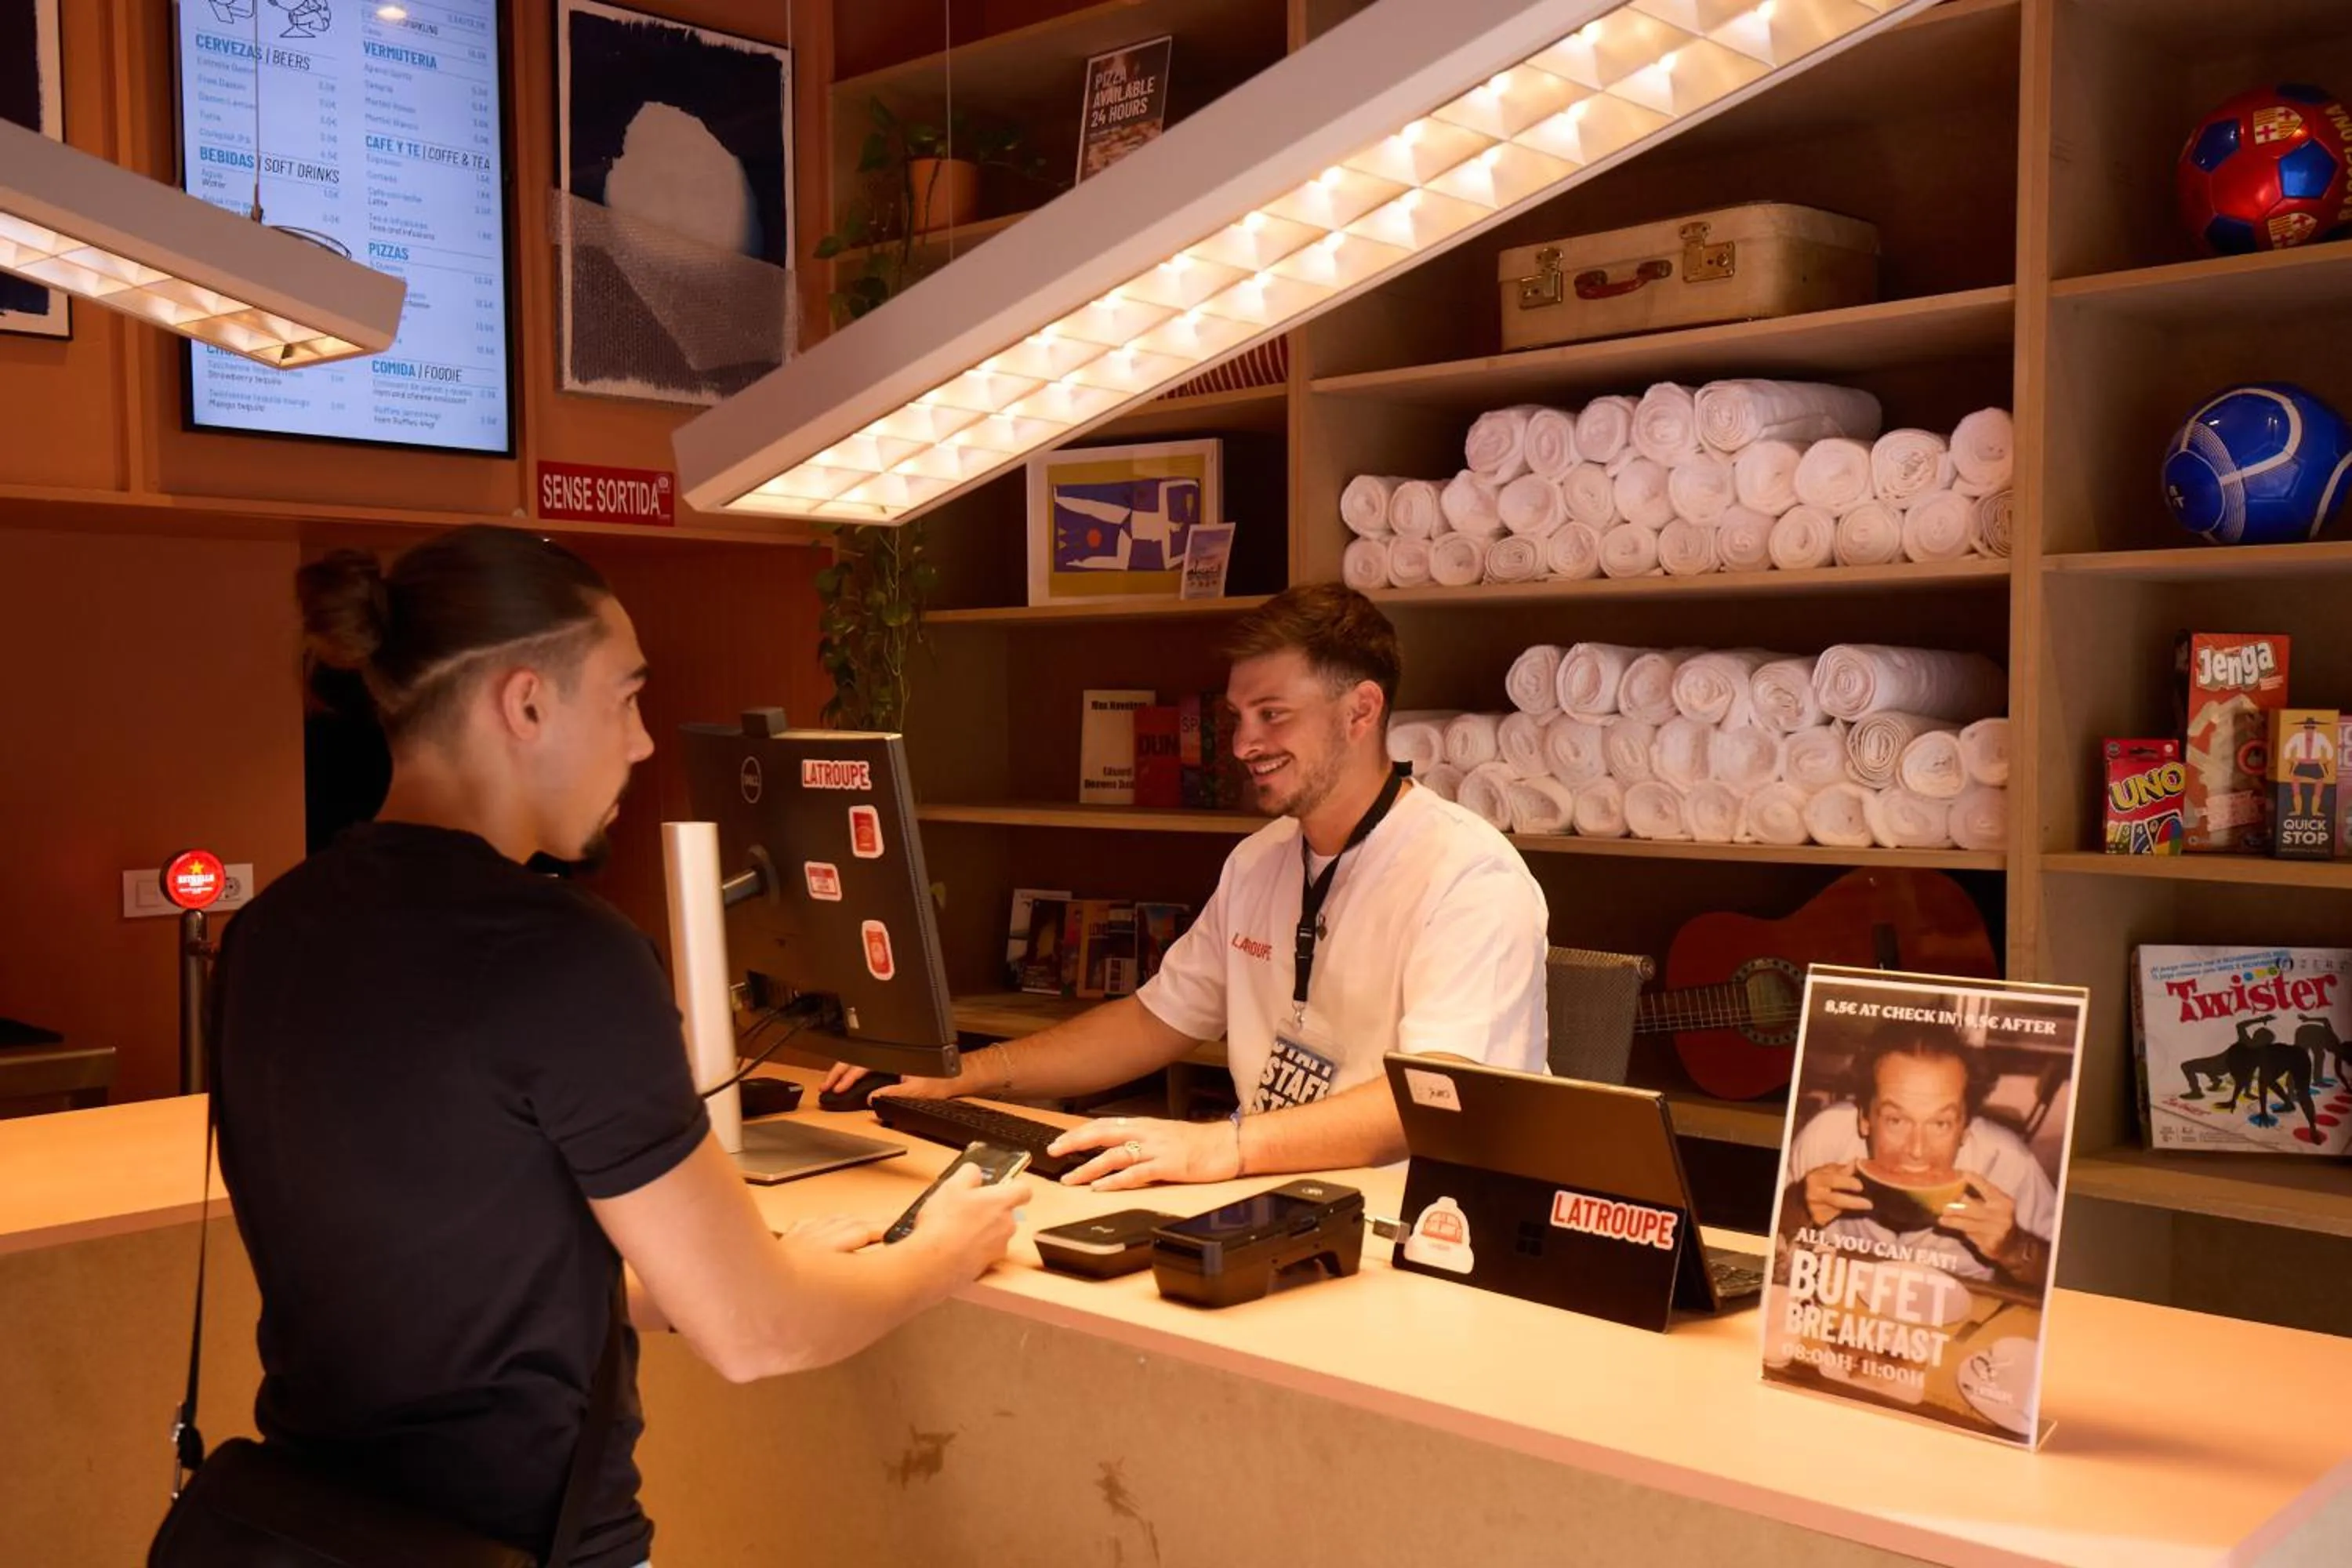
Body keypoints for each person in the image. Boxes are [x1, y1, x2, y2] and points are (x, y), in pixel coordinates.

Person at [206, 526, 1027, 1568]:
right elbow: (759, 1334)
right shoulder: (560, 955)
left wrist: (710, 1268)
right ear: (527, 702)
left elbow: (435, 1267)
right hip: (521, 1546)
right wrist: (942, 1251)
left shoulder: (271, 929)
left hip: (307, 1533)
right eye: (627, 696)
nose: (643, 742)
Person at [826, 583, 1552, 1189]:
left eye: (1273, 715)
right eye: (1238, 717)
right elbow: (1152, 1022)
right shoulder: (1260, 860)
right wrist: (962, 1073)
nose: (1242, 745)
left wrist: (1224, 1146)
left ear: (1361, 711)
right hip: (1272, 1195)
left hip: (1424, 1233)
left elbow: (1434, 1098)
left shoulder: (1469, 876)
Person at [1781, 1023, 2056, 1287]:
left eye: (1940, 1124)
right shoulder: (1825, 1137)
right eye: (1896, 1120)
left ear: (1965, 1127)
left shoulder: (2009, 1163)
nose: (1916, 1150)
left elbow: (2065, 1280)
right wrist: (1798, 1204)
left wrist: (2016, 1248)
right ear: (1865, 1117)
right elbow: (1758, 1238)